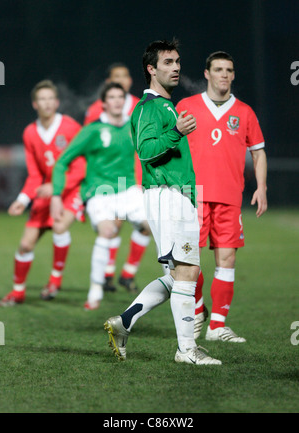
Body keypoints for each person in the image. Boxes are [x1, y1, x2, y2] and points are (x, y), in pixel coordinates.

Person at [104, 39, 222, 365]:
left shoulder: (168, 106)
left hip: (178, 197)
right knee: (187, 272)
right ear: (151, 69)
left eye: (178, 62)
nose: (176, 68)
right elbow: (144, 149)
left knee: (180, 275)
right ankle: (187, 351)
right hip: (166, 197)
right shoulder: (149, 107)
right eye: (168, 62)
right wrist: (177, 132)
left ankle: (124, 322)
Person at [176, 51, 268, 342]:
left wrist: (262, 187)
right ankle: (200, 308)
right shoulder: (187, 106)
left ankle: (217, 326)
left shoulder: (244, 112)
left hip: (230, 196)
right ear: (207, 74)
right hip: (194, 195)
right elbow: (169, 144)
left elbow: (259, 151)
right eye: (218, 69)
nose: (224, 75)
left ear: (233, 75)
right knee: (190, 262)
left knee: (226, 259)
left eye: (229, 70)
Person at [51, 82, 151, 311]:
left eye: (120, 97)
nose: (117, 101)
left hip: (128, 190)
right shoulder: (92, 130)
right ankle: (95, 289)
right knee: (107, 231)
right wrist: (57, 195)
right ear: (104, 103)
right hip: (99, 192)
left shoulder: (133, 126)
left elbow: (148, 156)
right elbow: (62, 162)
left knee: (157, 226)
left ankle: (178, 287)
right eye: (112, 97)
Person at [0, 80, 85, 306]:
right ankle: (17, 293)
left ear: (56, 102)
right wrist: (22, 199)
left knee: (59, 226)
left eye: (50, 99)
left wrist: (57, 187)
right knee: (25, 245)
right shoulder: (30, 133)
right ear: (34, 104)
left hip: (70, 191)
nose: (47, 103)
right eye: (42, 99)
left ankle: (55, 280)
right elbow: (35, 175)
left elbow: (81, 168)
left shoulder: (70, 127)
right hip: (46, 193)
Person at [84, 63, 147, 293]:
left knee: (146, 225)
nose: (121, 79)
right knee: (115, 224)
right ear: (108, 83)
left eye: (125, 75)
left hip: (137, 173)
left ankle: (128, 272)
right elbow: (88, 147)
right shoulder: (95, 111)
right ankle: (108, 274)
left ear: (130, 81)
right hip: (110, 178)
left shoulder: (142, 106)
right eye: (116, 77)